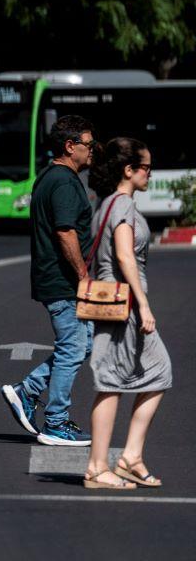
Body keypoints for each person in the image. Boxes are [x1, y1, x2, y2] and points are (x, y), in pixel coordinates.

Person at [1, 115, 96, 447]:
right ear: (70, 147)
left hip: (58, 280)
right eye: (88, 144)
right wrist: (83, 274)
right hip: (63, 281)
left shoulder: (49, 178)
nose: (92, 151)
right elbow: (65, 231)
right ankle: (56, 421)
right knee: (73, 348)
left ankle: (26, 391)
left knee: (82, 345)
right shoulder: (64, 182)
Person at [82, 138, 171, 490]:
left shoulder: (110, 204)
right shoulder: (120, 207)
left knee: (157, 370)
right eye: (146, 167)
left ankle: (130, 457)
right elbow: (124, 257)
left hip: (123, 303)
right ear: (128, 170)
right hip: (123, 305)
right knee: (111, 383)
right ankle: (96, 467)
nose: (150, 174)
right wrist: (143, 305)